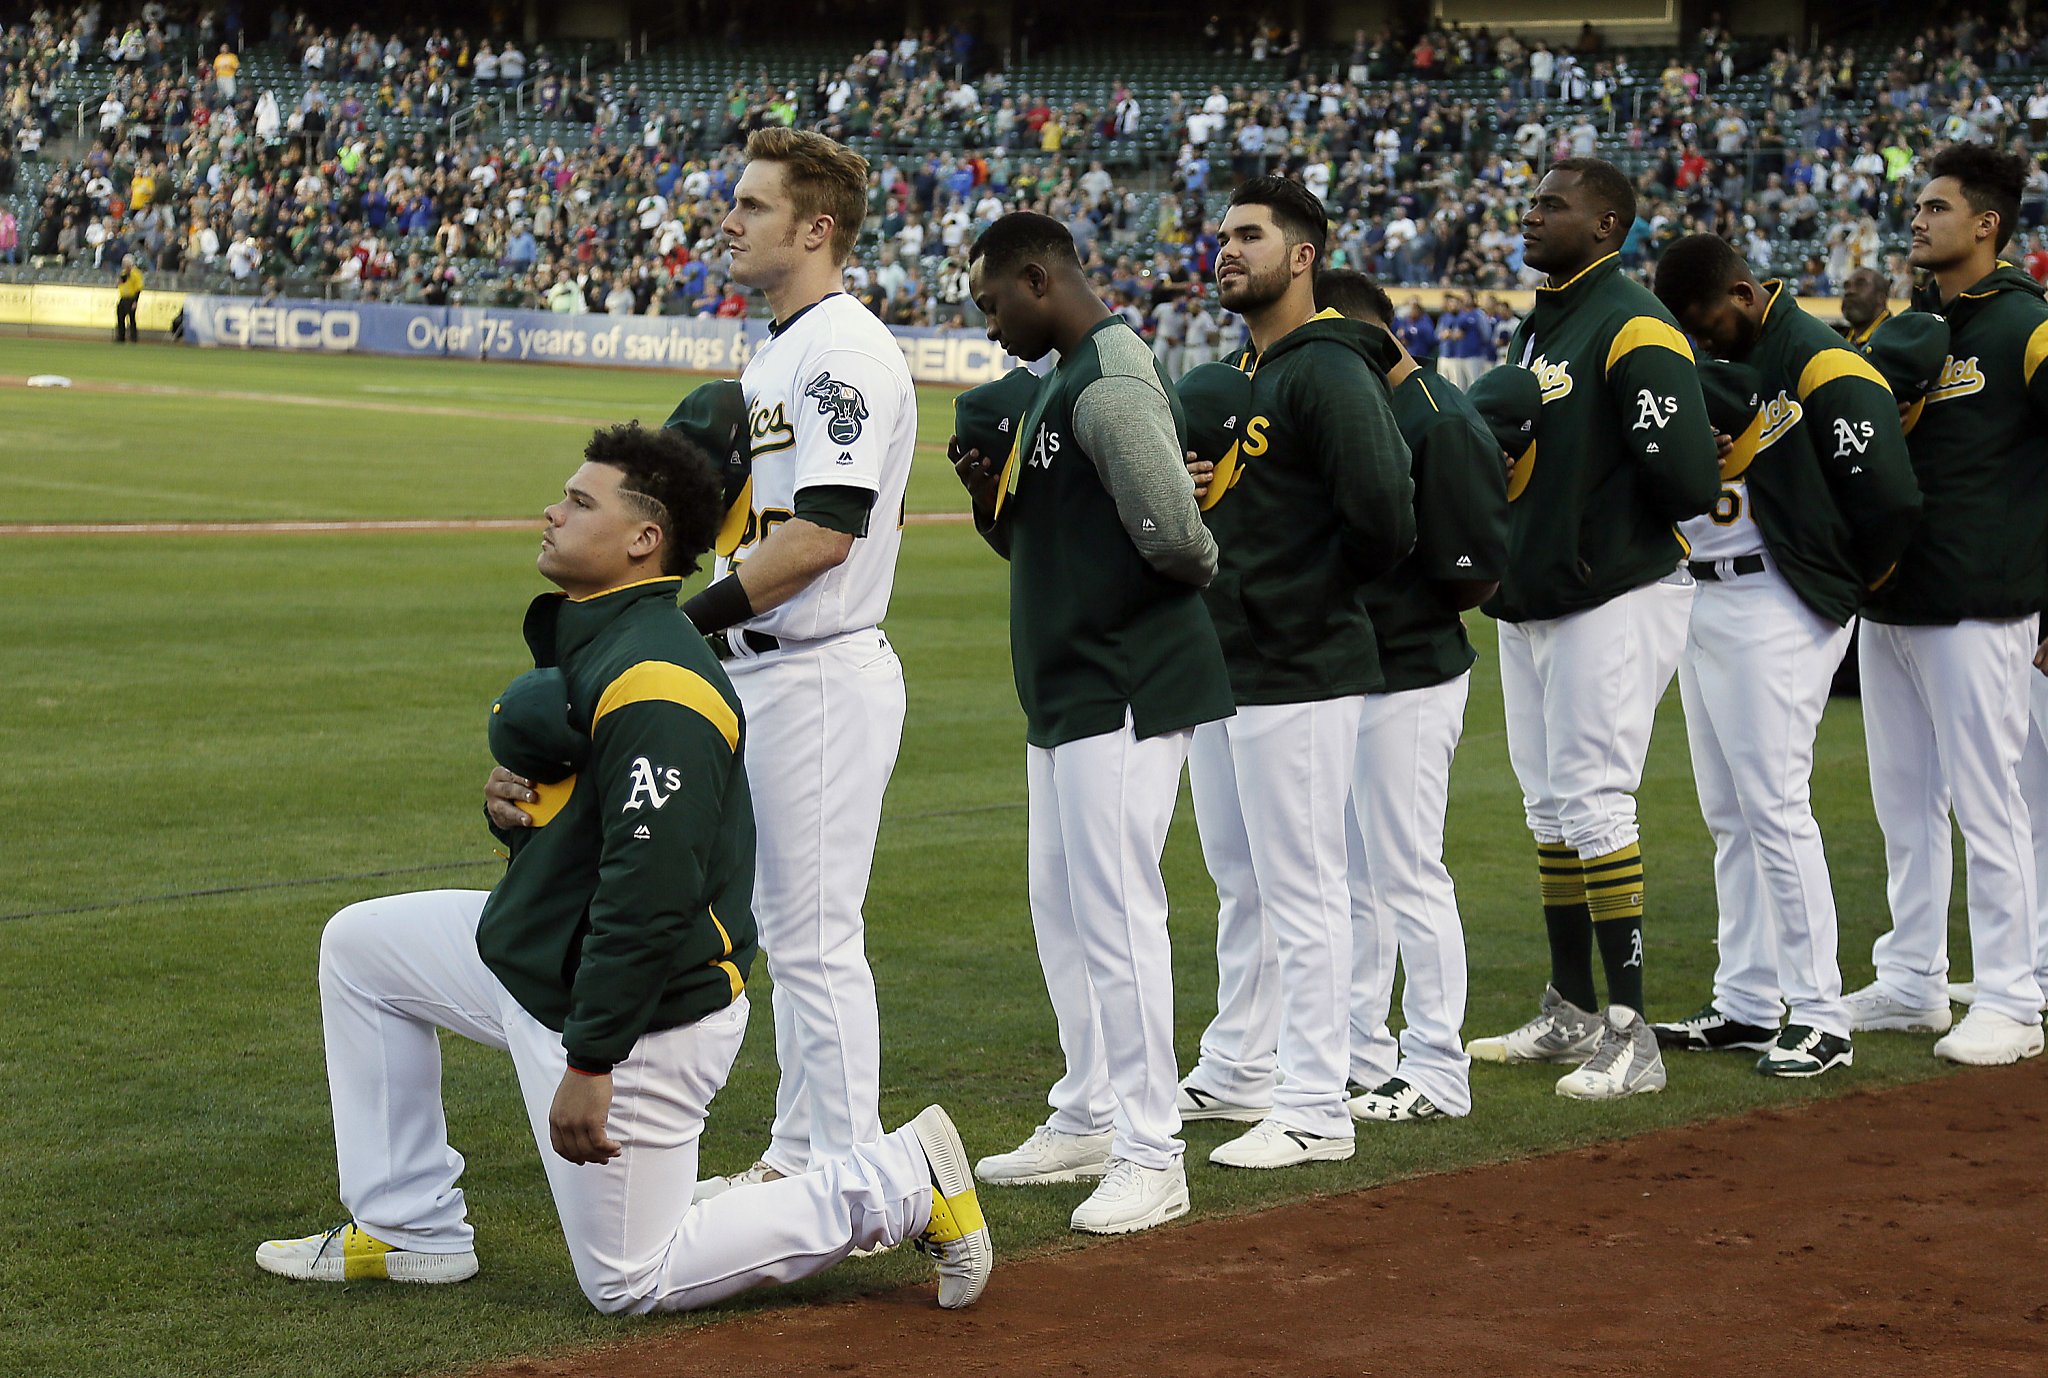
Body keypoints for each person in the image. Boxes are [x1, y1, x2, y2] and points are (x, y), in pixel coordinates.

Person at [259, 424, 989, 1312]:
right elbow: (589, 832)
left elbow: (652, 896)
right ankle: (410, 1229)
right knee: (363, 951)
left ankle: (899, 1181)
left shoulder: (658, 677)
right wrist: (514, 812)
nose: (552, 510)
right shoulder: (602, 639)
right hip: (542, 962)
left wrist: (593, 1060)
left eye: (578, 500)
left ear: (644, 539)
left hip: (641, 1016)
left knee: (630, 1280)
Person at [951, 211, 1232, 1234]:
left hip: (1124, 677)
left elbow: (1173, 535)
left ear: (1038, 279)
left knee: (1115, 912)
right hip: (1071, 684)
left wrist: (1187, 548)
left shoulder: (1106, 377)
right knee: (1063, 904)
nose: (987, 327)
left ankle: (1153, 1151)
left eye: (991, 303)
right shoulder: (1060, 381)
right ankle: (1092, 1109)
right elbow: (1050, 542)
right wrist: (991, 501)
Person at [683, 128, 918, 1193]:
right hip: (766, 667)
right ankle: (797, 1156)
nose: (726, 220)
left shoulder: (846, 350)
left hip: (815, 671)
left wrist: (686, 618)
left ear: (814, 227)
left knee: (815, 936)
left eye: (751, 205)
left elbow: (825, 533)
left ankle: (856, 1177)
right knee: (788, 929)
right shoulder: (780, 346)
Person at [1173, 176, 1415, 1165]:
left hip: (1300, 659)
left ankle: (1316, 1106)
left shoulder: (1325, 369)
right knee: (1242, 879)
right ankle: (1240, 1064)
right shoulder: (1252, 369)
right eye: (1220, 236)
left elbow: (1385, 520)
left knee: (1304, 886)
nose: (1225, 250)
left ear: (1302, 254)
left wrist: (1299, 599)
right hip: (1232, 658)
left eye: (1248, 235)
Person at [1465, 158, 1720, 1098]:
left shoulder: (1633, 323)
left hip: (1611, 590)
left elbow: (1689, 478)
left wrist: (1596, 527)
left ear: (1608, 224)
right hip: (1537, 595)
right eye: (1528, 200)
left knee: (1597, 801)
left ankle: (1632, 1033)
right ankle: (1572, 1008)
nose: (1530, 215)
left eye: (1553, 205)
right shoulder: (1547, 320)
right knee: (1551, 807)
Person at [1648, 234, 1922, 1078]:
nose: (1700, 337)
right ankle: (1746, 1000)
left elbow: (1890, 496)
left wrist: (1842, 585)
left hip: (1777, 594)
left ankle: (1819, 1012)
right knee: (1729, 811)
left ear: (1743, 290)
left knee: (1772, 805)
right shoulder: (1757, 349)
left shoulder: (1817, 356)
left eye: (1706, 320)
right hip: (1708, 590)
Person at [1849, 144, 2048, 1064]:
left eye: (1936, 207)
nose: (1918, 220)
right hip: (1893, 600)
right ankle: (1913, 980)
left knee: (1988, 797)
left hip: (1980, 602)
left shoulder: (2026, 326)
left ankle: (2012, 994)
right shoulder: (1912, 327)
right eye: (1918, 207)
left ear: (1987, 224)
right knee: (1904, 802)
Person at [1310, 268, 1508, 1121]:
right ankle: (1364, 1048)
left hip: (1417, 673)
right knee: (1359, 877)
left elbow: (1468, 574)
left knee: (1408, 874)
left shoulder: (1439, 416)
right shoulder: (1377, 407)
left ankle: (1438, 1067)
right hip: (1362, 671)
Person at [1840, 265, 1893, 346]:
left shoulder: (1895, 340)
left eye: (1860, 285)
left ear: (1881, 297)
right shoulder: (1838, 341)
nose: (1849, 291)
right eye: (1846, 286)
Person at [114, 254, 142, 342]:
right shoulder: (124, 273)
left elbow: (138, 288)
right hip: (123, 297)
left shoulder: (136, 273)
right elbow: (119, 283)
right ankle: (121, 336)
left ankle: (133, 337)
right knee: (120, 318)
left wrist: (135, 301)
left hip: (131, 298)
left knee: (132, 319)